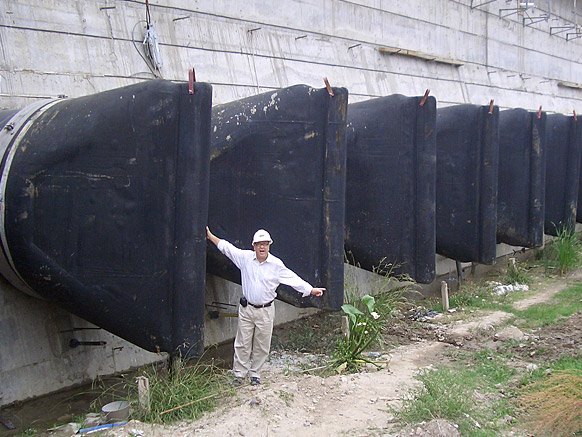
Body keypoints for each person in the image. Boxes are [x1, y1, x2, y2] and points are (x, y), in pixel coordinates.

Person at [206, 226, 325, 386]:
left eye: (265, 244)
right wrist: (210, 236)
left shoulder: (276, 265)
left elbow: (292, 278)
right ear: (253, 246)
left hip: (265, 311)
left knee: (262, 344)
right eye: (259, 244)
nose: (262, 247)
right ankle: (239, 375)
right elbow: (227, 248)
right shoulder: (245, 258)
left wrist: (310, 289)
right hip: (247, 309)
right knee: (242, 343)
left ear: (269, 246)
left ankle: (255, 374)